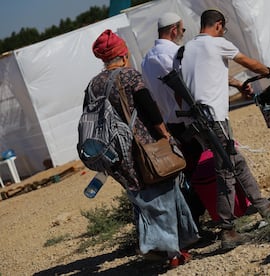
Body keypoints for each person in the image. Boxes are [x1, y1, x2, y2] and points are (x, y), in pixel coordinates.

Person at [85, 29, 199, 268]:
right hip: (143, 148)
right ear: (124, 55)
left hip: (115, 155)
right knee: (163, 196)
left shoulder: (93, 85)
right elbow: (150, 108)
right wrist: (165, 134)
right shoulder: (129, 76)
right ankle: (170, 252)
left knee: (141, 200)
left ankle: (156, 245)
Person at [179, 9, 270, 249]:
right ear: (219, 25)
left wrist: (238, 84)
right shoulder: (218, 43)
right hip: (214, 118)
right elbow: (248, 62)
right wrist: (268, 71)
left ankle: (264, 205)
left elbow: (207, 76)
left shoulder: (187, 49)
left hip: (195, 120)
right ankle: (227, 229)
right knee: (225, 170)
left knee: (235, 161)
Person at [141, 12, 206, 229]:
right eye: (182, 30)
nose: (182, 34)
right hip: (188, 120)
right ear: (174, 30)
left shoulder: (146, 60)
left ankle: (193, 220)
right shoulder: (174, 53)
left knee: (189, 169)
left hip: (170, 123)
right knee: (204, 166)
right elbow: (183, 86)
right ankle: (202, 216)